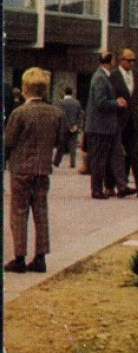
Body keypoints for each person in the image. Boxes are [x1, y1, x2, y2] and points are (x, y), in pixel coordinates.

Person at [4, 67, 67, 273]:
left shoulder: (19, 113)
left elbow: (9, 141)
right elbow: (61, 140)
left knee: (18, 212)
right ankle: (40, 257)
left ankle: (19, 257)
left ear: (25, 89)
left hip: (21, 169)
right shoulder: (56, 113)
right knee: (41, 212)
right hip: (42, 170)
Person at [84, 52, 131, 199]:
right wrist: (116, 103)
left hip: (110, 126)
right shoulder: (100, 78)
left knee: (117, 155)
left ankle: (122, 186)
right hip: (100, 127)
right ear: (108, 62)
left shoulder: (104, 77)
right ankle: (96, 189)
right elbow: (100, 102)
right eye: (114, 60)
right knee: (99, 159)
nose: (115, 63)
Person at [110, 48, 138, 196]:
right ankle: (113, 186)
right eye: (129, 60)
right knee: (116, 154)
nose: (132, 63)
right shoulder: (113, 76)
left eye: (134, 60)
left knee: (136, 153)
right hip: (118, 120)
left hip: (133, 121)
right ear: (121, 60)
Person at [56, 87, 83, 169]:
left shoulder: (61, 103)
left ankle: (57, 161)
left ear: (64, 92)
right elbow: (80, 115)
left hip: (64, 127)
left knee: (61, 145)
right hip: (74, 127)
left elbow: (62, 115)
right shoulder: (77, 102)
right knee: (73, 146)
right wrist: (76, 125)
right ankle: (72, 163)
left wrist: (68, 126)